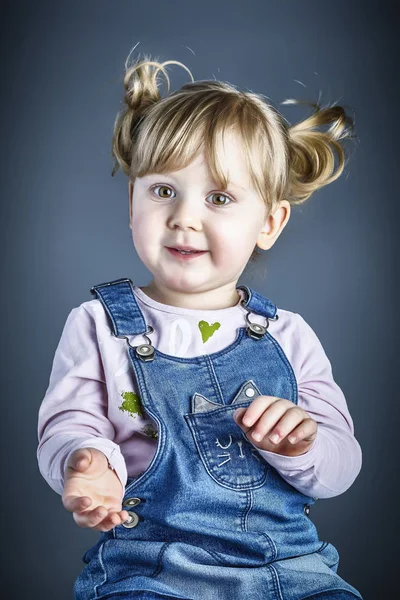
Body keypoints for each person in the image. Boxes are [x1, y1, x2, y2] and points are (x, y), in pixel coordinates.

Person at [37, 49, 364, 600]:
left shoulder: (289, 336)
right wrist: (86, 459)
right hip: (148, 573)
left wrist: (303, 443)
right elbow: (66, 423)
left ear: (269, 222)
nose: (185, 216)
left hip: (291, 572)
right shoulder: (97, 324)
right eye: (164, 190)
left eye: (218, 197)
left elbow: (339, 468)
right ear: (132, 199)